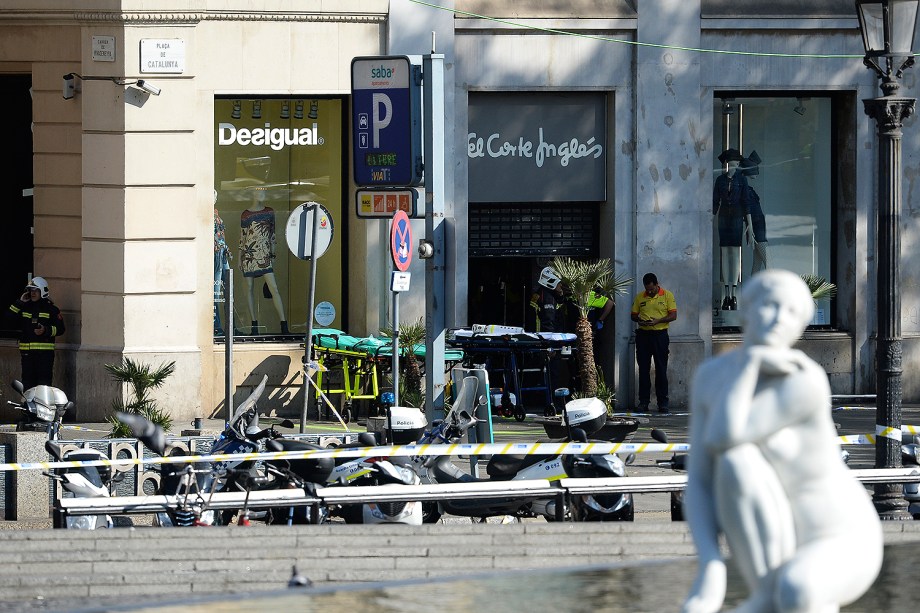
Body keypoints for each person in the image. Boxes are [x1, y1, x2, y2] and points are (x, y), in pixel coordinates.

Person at [682, 270, 882, 613]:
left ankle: (770, 594)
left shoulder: (803, 380)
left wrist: (751, 363)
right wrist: (711, 565)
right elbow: (699, 480)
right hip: (777, 544)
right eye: (770, 305)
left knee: (798, 589)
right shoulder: (710, 377)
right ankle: (765, 590)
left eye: (792, 312)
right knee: (735, 461)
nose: (778, 319)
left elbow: (725, 433)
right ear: (745, 309)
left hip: (841, 535)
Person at [239, 186, 288, 335]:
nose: (261, 194)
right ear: (252, 194)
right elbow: (242, 237)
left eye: (263, 192)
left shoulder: (269, 212)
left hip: (265, 255)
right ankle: (254, 325)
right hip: (249, 255)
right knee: (249, 289)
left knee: (274, 288)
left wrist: (273, 254)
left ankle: (284, 325)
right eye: (258, 192)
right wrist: (240, 258)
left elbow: (273, 234)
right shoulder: (246, 214)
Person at [8, 277, 66, 390]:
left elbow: (61, 329)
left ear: (42, 291)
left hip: (45, 357)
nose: (32, 293)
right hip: (27, 356)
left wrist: (46, 330)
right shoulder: (24, 307)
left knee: (43, 387)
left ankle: (43, 408)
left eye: (35, 290)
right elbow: (8, 320)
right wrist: (19, 302)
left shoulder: (52, 309)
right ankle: (27, 407)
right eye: (31, 290)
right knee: (27, 386)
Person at [630, 273, 676, 413]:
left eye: (652, 289)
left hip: (660, 335)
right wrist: (640, 320)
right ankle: (643, 402)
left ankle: (663, 403)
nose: (649, 292)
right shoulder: (640, 297)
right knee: (643, 369)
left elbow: (673, 315)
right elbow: (633, 315)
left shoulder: (667, 295)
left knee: (661, 369)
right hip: (643, 335)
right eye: (647, 289)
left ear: (657, 284)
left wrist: (658, 321)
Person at [713, 148, 751, 310]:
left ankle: (733, 293)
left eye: (736, 162)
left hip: (736, 217)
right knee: (724, 253)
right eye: (732, 162)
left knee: (734, 253)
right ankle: (726, 293)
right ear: (727, 163)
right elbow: (715, 202)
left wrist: (749, 224)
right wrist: (711, 218)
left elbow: (746, 202)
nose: (734, 165)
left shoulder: (742, 180)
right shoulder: (720, 180)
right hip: (723, 217)